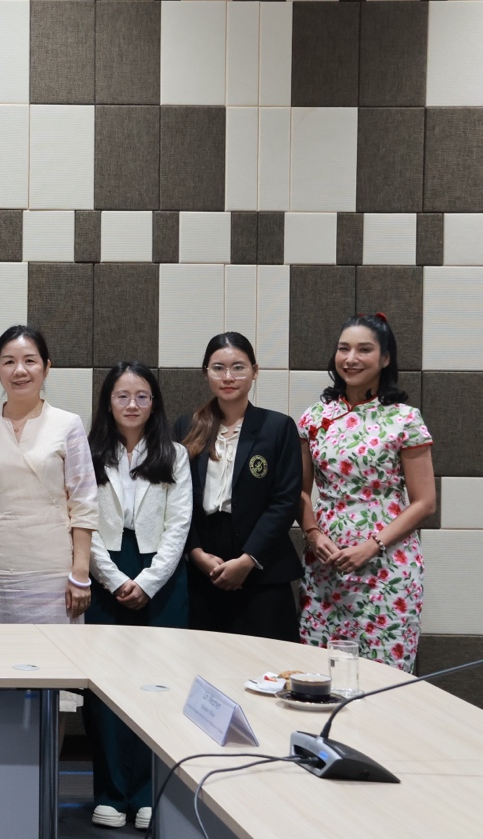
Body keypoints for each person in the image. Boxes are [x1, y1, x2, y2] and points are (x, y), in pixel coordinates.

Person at [83, 363, 192, 831]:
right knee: (105, 690)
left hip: (161, 577)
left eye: (142, 396)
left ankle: (150, 792)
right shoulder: (87, 452)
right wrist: (112, 578)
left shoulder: (175, 454)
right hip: (104, 569)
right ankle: (110, 792)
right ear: (108, 402)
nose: (132, 405)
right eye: (122, 396)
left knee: (158, 686)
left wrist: (146, 582)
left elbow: (178, 526)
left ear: (154, 403)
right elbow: (79, 524)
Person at [298, 313, 435, 672]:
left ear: (385, 358)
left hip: (386, 566)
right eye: (344, 349)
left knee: (382, 677)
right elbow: (300, 491)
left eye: (364, 349)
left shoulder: (405, 418)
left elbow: (425, 502)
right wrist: (312, 534)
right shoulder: (315, 417)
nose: (351, 358)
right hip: (325, 565)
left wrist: (372, 546)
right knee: (321, 674)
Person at [0, 326, 98, 623]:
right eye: (9, 361)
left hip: (54, 570)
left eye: (30, 361)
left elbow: (84, 503)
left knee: (55, 660)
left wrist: (80, 572)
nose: (19, 370)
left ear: (47, 367)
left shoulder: (68, 424)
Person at [175, 332, 302, 641]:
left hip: (262, 569)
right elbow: (175, 499)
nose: (228, 377)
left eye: (238, 367)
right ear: (205, 372)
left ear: (255, 372)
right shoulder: (186, 426)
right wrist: (195, 553)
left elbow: (285, 501)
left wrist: (248, 560)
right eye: (218, 368)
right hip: (203, 568)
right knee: (204, 666)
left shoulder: (278, 427)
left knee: (268, 670)